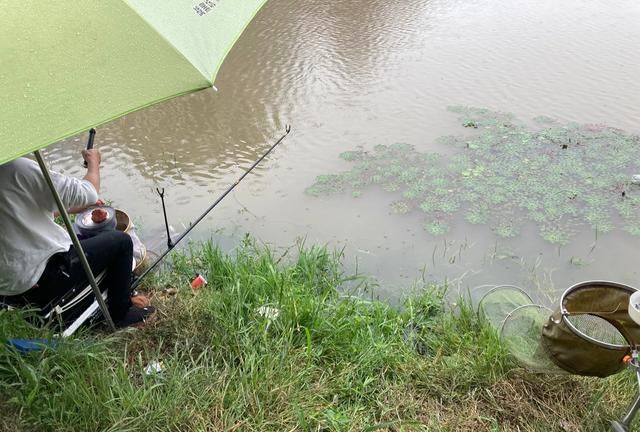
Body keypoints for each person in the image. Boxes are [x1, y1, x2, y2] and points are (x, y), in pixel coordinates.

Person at [0, 149, 154, 328]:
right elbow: (88, 193)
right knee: (121, 242)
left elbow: (21, 213)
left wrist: (74, 208)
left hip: (9, 290)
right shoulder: (14, 168)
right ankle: (121, 313)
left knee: (89, 240)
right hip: (45, 277)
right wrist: (94, 163)